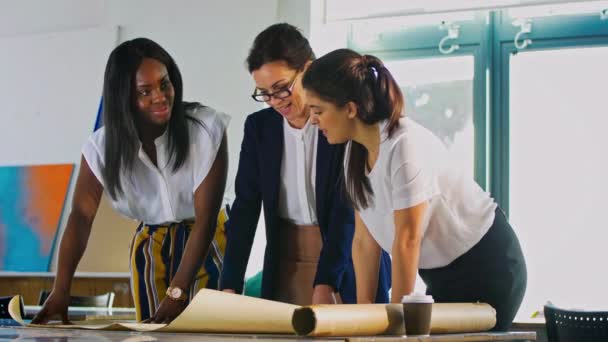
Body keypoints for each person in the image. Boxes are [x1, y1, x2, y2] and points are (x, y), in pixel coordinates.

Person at [302, 48, 527, 330]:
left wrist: (396, 327)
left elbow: (407, 242)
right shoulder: (353, 153)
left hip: (490, 266)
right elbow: (363, 242)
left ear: (350, 108)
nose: (312, 120)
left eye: (318, 110)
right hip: (441, 276)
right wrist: (363, 319)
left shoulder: (403, 145)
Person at [32, 38, 230, 323]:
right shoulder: (102, 146)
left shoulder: (206, 128)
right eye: (144, 91)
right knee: (149, 333)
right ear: (123, 98)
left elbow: (206, 219)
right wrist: (61, 289)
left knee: (204, 331)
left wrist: (177, 293)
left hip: (209, 241)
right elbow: (81, 216)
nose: (160, 97)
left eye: (164, 84)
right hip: (150, 246)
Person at [219, 24, 391, 305]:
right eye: (263, 92)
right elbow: (245, 207)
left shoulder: (340, 119)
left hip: (346, 256)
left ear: (308, 69)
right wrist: (230, 284)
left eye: (281, 88)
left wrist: (327, 281)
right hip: (285, 262)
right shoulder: (260, 128)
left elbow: (345, 210)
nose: (274, 101)